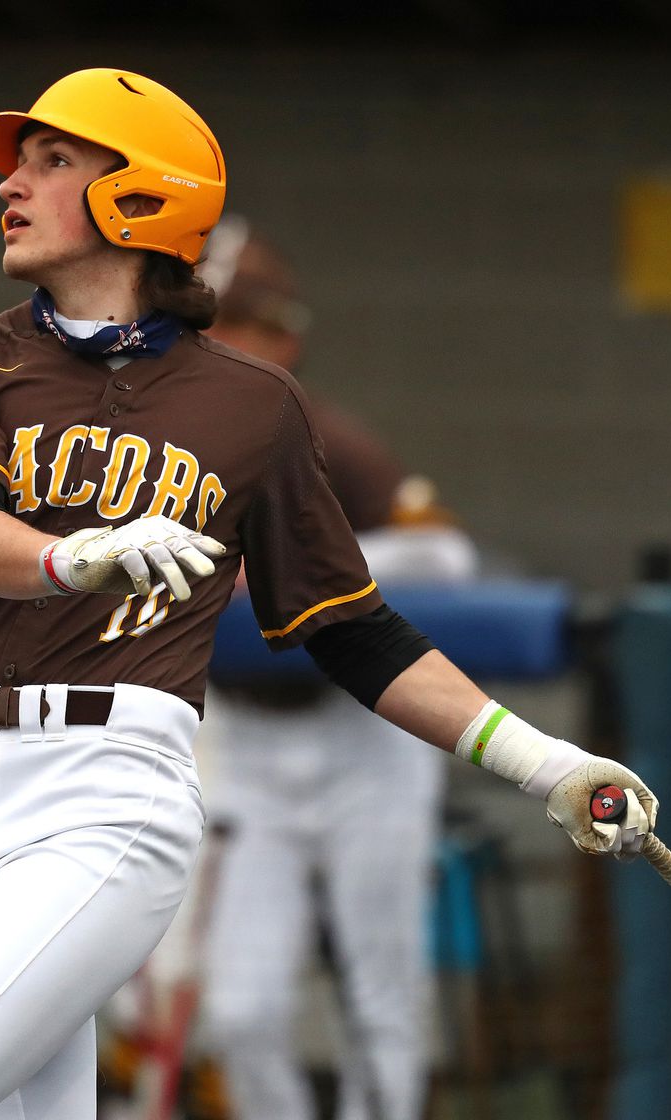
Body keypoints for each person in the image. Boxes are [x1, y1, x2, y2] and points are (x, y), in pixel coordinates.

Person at [0, 67, 659, 1120]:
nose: (12, 182)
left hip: (104, 792)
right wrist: (69, 555)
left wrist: (541, 761)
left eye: (53, 161)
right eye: (19, 161)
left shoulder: (253, 404)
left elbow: (352, 630)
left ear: (140, 196)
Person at [195, 217, 475, 1120]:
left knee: (380, 994)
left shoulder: (323, 435)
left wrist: (302, 568)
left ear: (278, 335)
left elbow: (449, 561)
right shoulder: (165, 440)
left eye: (225, 324)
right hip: (246, 741)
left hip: (365, 733)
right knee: (239, 1010)